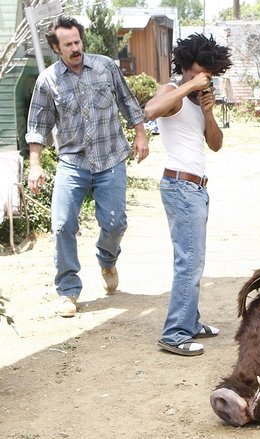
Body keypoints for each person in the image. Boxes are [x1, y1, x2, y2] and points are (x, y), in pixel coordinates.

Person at [25, 16, 149, 318]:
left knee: (115, 222)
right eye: (68, 44)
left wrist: (141, 134)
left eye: (78, 41)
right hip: (73, 161)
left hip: (111, 158)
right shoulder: (48, 81)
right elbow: (38, 126)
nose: (75, 48)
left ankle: (107, 259)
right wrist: (35, 165)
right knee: (62, 223)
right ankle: (69, 290)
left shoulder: (105, 67)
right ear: (56, 47)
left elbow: (128, 102)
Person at [143, 33, 232, 356]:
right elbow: (150, 110)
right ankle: (174, 333)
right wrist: (189, 86)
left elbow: (216, 144)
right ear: (185, 65)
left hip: (196, 187)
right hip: (180, 185)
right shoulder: (173, 92)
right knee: (188, 263)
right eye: (200, 69)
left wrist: (208, 111)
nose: (205, 75)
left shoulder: (196, 101)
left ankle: (190, 322)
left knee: (195, 260)